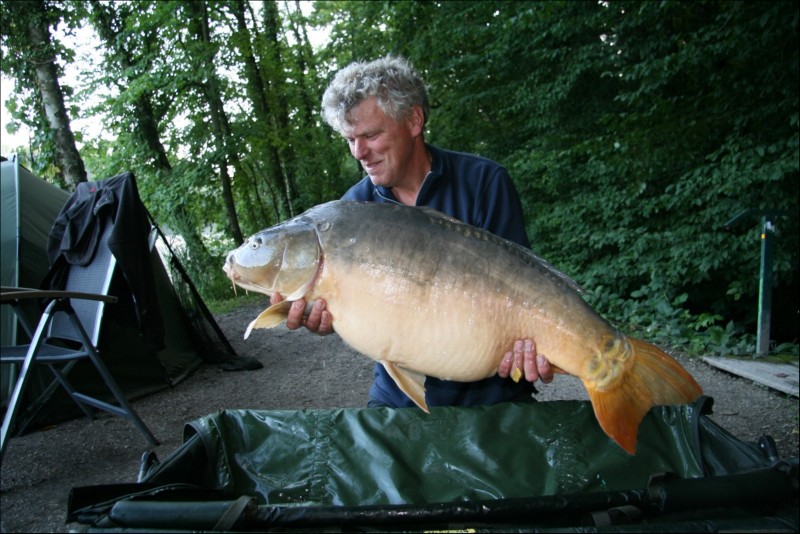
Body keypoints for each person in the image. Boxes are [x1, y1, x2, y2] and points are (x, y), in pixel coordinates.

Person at [271, 55, 553, 408]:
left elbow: (523, 291)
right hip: (398, 399)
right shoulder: (351, 212)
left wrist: (530, 345)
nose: (359, 152)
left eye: (371, 135)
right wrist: (327, 318)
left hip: (494, 397)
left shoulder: (484, 181)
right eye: (350, 139)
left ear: (414, 120)